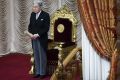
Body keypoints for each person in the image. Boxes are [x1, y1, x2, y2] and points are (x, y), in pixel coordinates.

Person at [28, 1, 50, 79]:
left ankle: (42, 73)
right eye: (33, 7)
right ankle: (37, 72)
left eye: (36, 7)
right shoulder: (32, 14)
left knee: (42, 56)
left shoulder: (46, 15)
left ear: (40, 7)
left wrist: (38, 34)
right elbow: (30, 26)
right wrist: (30, 34)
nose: (34, 8)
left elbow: (46, 28)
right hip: (33, 38)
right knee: (36, 55)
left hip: (41, 39)